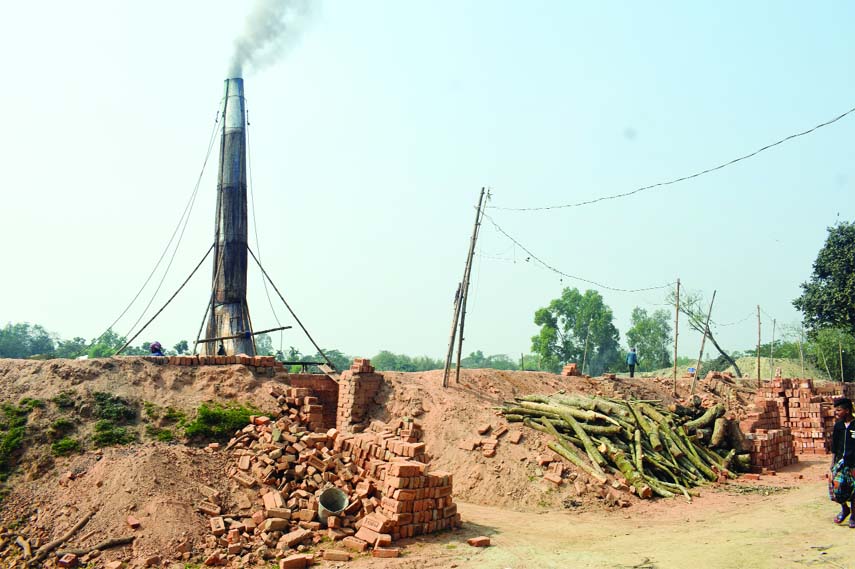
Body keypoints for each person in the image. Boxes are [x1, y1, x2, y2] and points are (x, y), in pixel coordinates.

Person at [829, 397, 855, 527]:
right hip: (840, 463)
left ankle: (853, 517)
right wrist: (833, 463)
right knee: (836, 490)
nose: (836, 413)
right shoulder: (838, 426)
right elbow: (834, 445)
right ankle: (845, 509)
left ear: (847, 410)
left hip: (853, 464)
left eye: (839, 410)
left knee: (854, 490)